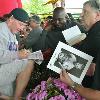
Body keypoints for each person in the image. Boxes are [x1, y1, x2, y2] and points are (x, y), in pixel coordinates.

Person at [0, 8, 35, 100]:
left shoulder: (12, 33)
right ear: (11, 19)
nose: (21, 28)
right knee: (29, 62)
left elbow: (12, 52)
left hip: (5, 69)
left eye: (24, 26)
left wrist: (23, 54)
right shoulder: (1, 30)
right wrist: (18, 55)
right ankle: (16, 98)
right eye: (20, 24)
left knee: (7, 93)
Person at [73, 0, 100, 88]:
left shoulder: (96, 35)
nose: (81, 15)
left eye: (85, 11)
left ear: (97, 15)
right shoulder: (93, 32)